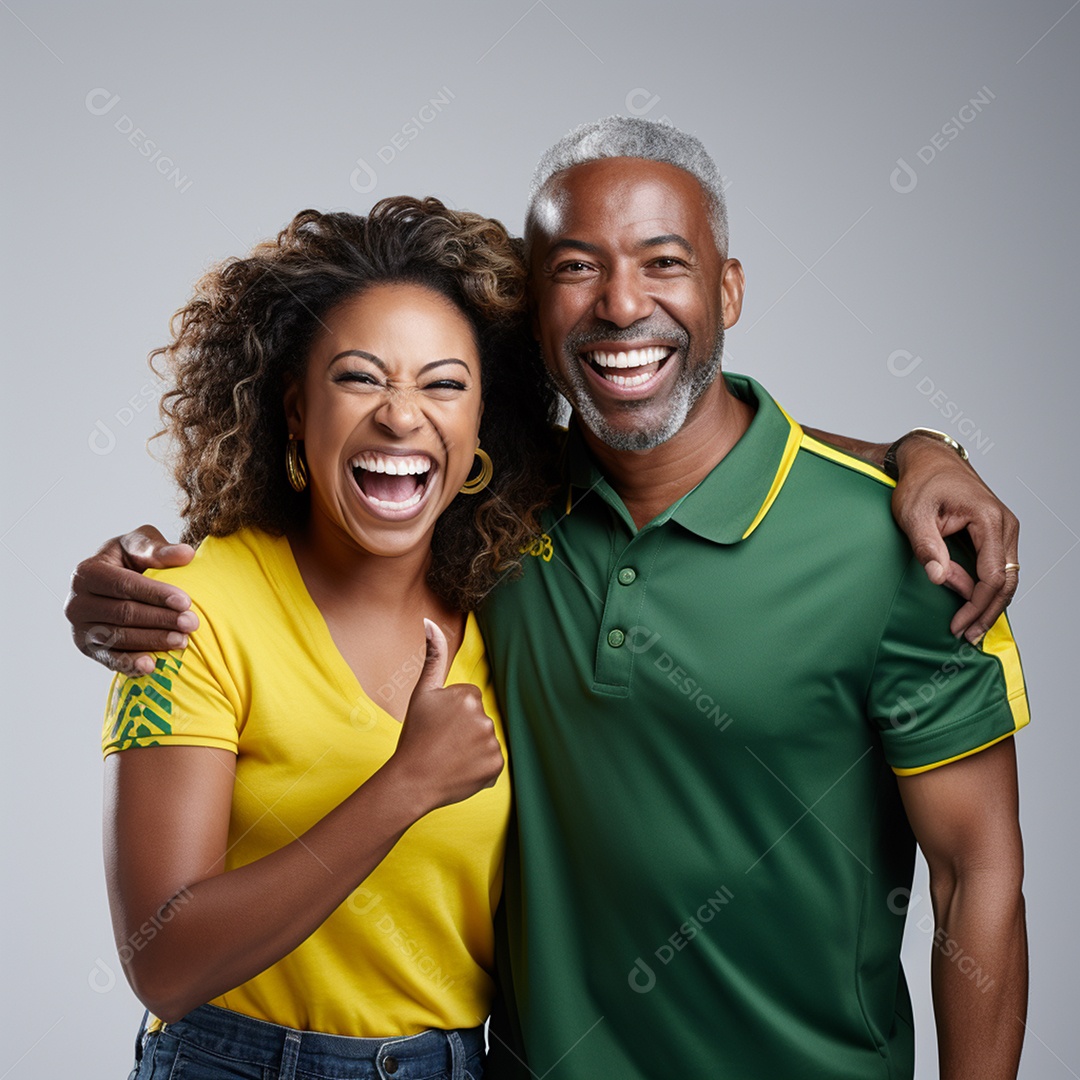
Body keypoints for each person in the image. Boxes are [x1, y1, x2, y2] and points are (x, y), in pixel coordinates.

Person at [66, 120, 1026, 1079]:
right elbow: (163, 954)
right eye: (576, 268)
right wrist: (119, 582)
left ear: (727, 287)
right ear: (533, 311)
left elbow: (977, 874)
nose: (620, 304)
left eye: (663, 262)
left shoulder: (905, 554)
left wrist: (924, 448)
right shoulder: (501, 527)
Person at [91, 195, 560, 1079]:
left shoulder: (516, 602)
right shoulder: (196, 611)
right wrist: (405, 785)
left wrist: (911, 449)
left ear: (480, 428)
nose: (401, 414)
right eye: (359, 376)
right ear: (295, 411)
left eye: (444, 383)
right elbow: (164, 963)